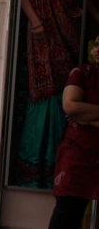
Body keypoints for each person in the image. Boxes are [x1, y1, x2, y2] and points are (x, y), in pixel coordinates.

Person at [16, 0, 84, 188]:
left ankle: (57, 164)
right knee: (43, 95)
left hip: (68, 35)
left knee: (63, 95)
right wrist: (36, 22)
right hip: (42, 34)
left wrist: (78, 13)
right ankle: (35, 165)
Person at [48, 36, 99, 229]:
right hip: (78, 152)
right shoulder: (83, 73)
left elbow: (78, 110)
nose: (97, 51)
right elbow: (70, 105)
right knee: (67, 212)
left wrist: (88, 117)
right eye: (96, 45)